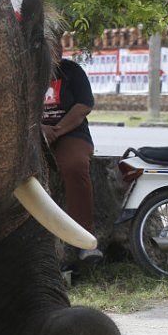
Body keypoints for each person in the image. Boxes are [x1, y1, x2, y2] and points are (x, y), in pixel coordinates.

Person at [42, 43, 103, 264]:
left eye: (55, 45)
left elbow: (83, 106)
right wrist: (39, 129)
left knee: (75, 166)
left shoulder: (72, 71)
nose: (52, 49)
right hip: (35, 135)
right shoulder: (27, 72)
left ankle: (84, 240)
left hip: (70, 133)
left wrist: (56, 131)